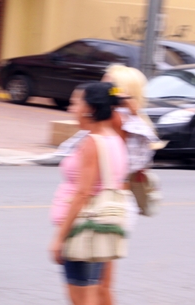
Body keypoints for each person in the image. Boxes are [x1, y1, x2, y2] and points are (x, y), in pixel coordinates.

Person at [49, 82, 129, 305]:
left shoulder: (93, 143)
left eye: (75, 102)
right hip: (98, 227)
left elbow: (83, 194)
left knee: (82, 299)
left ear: (89, 108)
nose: (71, 108)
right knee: (93, 294)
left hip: (82, 231)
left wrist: (59, 238)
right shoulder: (115, 139)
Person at [98, 64, 161, 305]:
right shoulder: (114, 120)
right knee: (94, 280)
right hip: (107, 203)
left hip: (113, 206)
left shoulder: (128, 125)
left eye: (107, 87)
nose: (100, 90)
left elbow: (124, 169)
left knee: (99, 282)